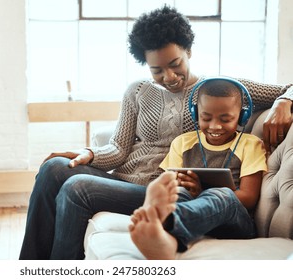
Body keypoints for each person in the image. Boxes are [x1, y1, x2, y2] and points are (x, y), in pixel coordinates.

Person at [19, 5, 293, 260]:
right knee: (55, 167)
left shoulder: (218, 91)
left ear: (189, 52)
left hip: (160, 188)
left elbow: (288, 87)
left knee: (77, 188)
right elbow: (118, 149)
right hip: (125, 181)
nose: (169, 76)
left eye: (175, 64)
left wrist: (284, 101)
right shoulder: (138, 91)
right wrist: (89, 154)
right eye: (157, 70)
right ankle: (30, 267)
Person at [129, 77, 268, 259]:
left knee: (222, 194)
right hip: (196, 220)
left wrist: (202, 191)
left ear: (242, 116)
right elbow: (172, 183)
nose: (215, 126)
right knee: (178, 192)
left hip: (235, 224)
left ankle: (166, 220)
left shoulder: (250, 144)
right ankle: (167, 239)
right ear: (196, 114)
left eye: (226, 119)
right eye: (206, 117)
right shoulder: (183, 143)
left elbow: (249, 198)